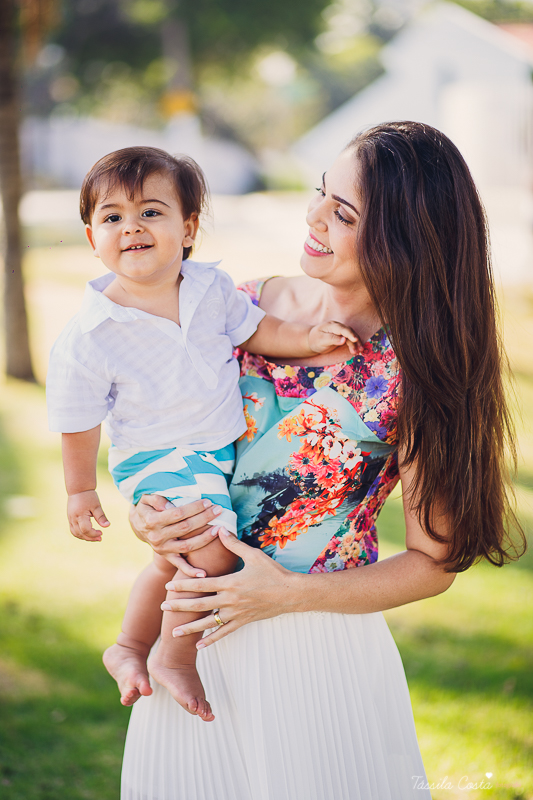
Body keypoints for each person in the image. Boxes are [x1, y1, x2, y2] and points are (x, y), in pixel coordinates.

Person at [120, 122, 524, 800]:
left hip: (314, 645)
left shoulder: (415, 373)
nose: (313, 217)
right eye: (320, 193)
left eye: (343, 213)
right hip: (187, 637)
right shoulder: (235, 306)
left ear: (403, 240)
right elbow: (160, 435)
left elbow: (435, 562)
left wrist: (287, 595)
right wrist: (148, 514)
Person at [46, 146, 361, 723]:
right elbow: (77, 419)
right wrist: (79, 491)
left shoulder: (212, 291)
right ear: (93, 238)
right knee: (212, 554)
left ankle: (129, 645)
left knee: (177, 562)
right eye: (112, 217)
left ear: (188, 228)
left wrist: (310, 341)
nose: (132, 227)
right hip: (155, 455)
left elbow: (259, 330)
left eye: (151, 212)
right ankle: (177, 653)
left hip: (211, 451)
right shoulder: (92, 332)